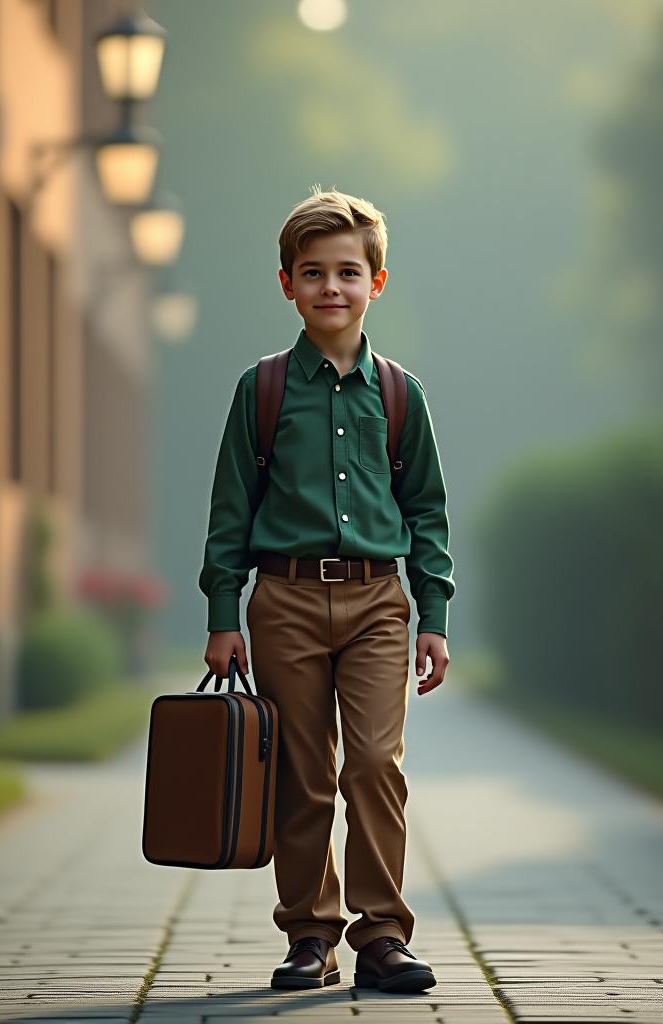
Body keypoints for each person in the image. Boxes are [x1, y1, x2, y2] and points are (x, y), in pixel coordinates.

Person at [199, 186, 454, 994]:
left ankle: (383, 936)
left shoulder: (401, 393)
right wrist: (222, 613)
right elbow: (230, 509)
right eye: (314, 273)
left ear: (377, 282)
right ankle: (310, 934)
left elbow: (427, 512)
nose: (332, 288)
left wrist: (433, 615)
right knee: (303, 774)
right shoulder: (263, 389)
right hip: (285, 603)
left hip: (380, 602)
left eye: (349, 271)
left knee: (375, 763)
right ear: (287, 284)